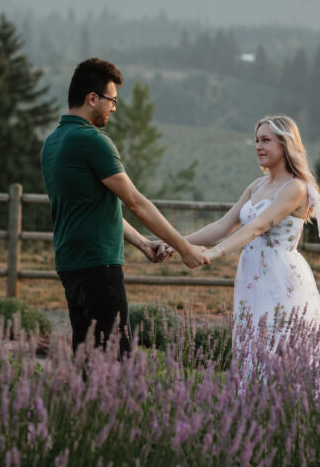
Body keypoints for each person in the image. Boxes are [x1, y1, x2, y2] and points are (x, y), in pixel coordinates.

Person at [41, 57, 209, 358]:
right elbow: (135, 202)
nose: (114, 108)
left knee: (88, 360)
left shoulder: (53, 142)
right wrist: (183, 247)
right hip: (99, 266)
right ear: (93, 99)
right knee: (117, 363)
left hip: (71, 264)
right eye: (112, 100)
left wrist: (144, 243)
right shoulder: (92, 141)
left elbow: (99, 208)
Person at [170, 114, 320, 354]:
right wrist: (176, 243)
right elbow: (222, 225)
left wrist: (214, 253)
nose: (258, 146)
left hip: (280, 278)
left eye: (266, 140)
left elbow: (259, 226)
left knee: (278, 347)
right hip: (252, 276)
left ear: (285, 143)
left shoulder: (296, 188)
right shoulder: (256, 185)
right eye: (257, 140)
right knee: (252, 346)